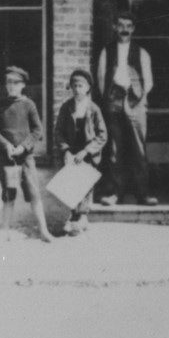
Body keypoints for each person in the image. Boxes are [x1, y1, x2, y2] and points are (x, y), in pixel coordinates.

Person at [97, 11, 158, 206]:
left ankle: (143, 193)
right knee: (115, 149)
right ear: (115, 27)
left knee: (139, 149)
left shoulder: (141, 53)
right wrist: (111, 97)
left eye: (128, 26)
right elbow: (100, 78)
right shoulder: (107, 51)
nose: (124, 29)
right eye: (120, 25)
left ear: (133, 29)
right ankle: (116, 193)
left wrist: (138, 98)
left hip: (136, 102)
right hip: (114, 101)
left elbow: (149, 82)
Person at [0, 66, 53, 243]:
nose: (11, 86)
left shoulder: (28, 105)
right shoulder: (0, 105)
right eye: (8, 82)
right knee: (8, 194)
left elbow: (37, 130)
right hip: (6, 158)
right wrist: (6, 145)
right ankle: (5, 231)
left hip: (25, 159)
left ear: (23, 84)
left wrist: (24, 147)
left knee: (33, 193)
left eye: (16, 82)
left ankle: (43, 231)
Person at [55, 69, 108, 235]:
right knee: (71, 184)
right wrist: (66, 150)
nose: (77, 89)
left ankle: (82, 217)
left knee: (85, 184)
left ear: (88, 88)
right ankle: (73, 216)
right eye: (75, 85)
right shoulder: (67, 107)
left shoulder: (94, 109)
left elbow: (102, 135)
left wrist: (86, 151)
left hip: (87, 153)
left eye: (81, 85)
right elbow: (59, 131)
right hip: (72, 151)